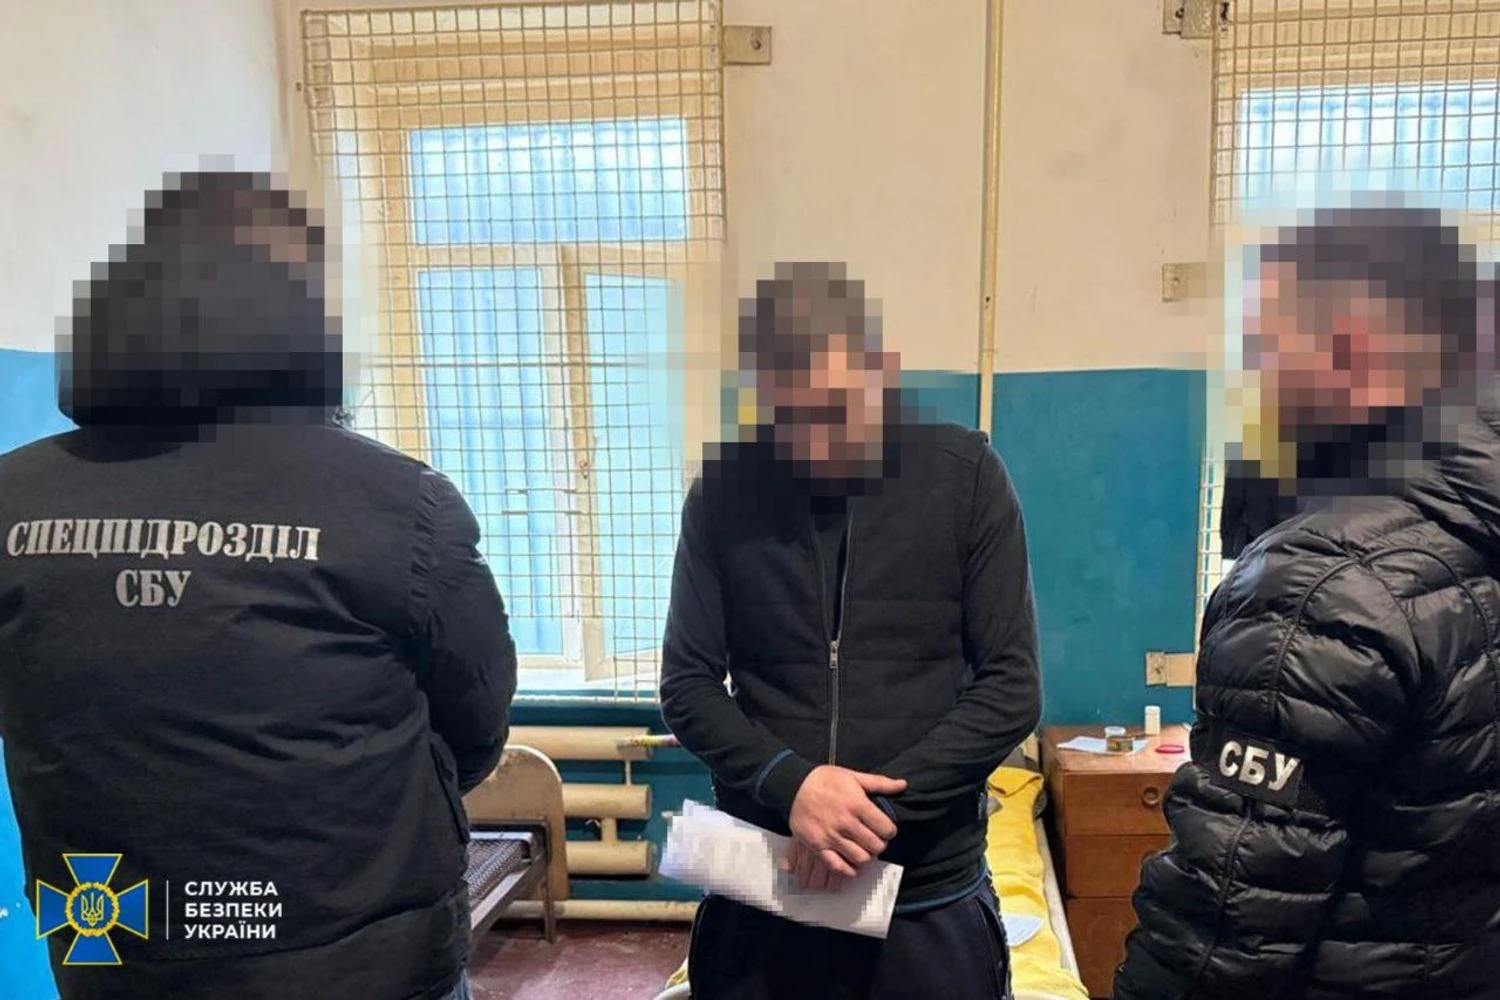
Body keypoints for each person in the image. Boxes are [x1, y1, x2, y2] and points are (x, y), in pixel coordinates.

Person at [0, 171, 515, 1000]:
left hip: (113, 942)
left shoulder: (13, 501)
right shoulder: (394, 504)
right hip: (354, 956)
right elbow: (477, 726)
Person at [1114, 204, 1500, 999]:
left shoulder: (1317, 583)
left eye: (1264, 348)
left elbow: (1225, 918)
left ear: (1349, 351)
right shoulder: (1475, 527)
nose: (1252, 382)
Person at [660, 262, 1041, 999]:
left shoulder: (965, 478)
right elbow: (687, 686)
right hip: (763, 889)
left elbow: (1011, 689)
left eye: (836, 409)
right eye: (790, 418)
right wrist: (793, 786)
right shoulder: (724, 494)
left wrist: (866, 818)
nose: (815, 443)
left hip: (923, 896)